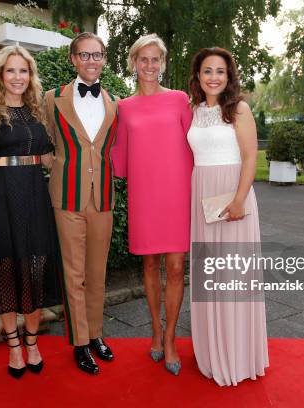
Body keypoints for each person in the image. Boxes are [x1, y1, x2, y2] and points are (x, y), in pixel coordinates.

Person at [0, 45, 62, 379]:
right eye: (11, 71)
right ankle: (13, 348)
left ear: (30, 75)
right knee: (6, 274)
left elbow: (51, 158)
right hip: (1, 198)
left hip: (35, 197)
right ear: (0, 75)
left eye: (23, 71)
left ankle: (33, 343)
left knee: (35, 271)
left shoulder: (38, 114)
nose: (18, 77)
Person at [112, 34, 193, 376]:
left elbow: (196, 145)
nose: (149, 65)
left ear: (163, 63)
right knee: (149, 268)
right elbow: (119, 161)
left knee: (176, 269)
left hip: (178, 193)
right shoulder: (123, 107)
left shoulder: (179, 100)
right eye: (142, 59)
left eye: (155, 59)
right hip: (145, 196)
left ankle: (172, 338)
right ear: (133, 63)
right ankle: (155, 333)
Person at [187, 47, 269, 386]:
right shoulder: (193, 111)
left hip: (234, 195)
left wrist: (238, 200)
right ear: (198, 76)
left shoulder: (239, 109)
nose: (214, 77)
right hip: (202, 196)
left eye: (220, 71)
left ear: (229, 76)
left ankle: (238, 356)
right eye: (208, 71)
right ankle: (212, 350)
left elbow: (250, 158)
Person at [44, 32, 119, 375]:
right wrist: (59, 167)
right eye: (85, 55)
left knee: (96, 273)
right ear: (73, 59)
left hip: (102, 196)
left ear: (104, 59)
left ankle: (96, 334)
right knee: (73, 274)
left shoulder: (115, 102)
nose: (92, 61)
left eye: (98, 55)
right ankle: (79, 342)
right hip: (68, 196)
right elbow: (44, 144)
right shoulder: (52, 99)